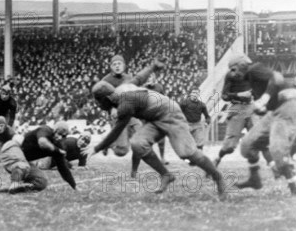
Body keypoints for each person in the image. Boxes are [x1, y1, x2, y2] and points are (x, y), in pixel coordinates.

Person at [86, 82, 225, 197]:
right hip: (155, 118)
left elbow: (116, 131)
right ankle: (166, 175)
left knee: (187, 153)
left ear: (107, 99)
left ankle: (217, 176)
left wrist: (97, 148)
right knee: (137, 144)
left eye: (98, 101)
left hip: (171, 115)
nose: (98, 105)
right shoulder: (122, 97)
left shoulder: (125, 104)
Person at [93, 55, 166, 178]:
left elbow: (136, 86)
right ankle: (107, 143)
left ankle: (134, 171)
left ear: (124, 65)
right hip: (117, 116)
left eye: (119, 63)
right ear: (111, 67)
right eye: (114, 64)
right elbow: (99, 100)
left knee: (140, 141)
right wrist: (110, 108)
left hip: (131, 114)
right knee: (121, 151)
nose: (117, 66)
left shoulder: (129, 78)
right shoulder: (105, 81)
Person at [235, 67, 296, 195]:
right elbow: (266, 106)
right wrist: (259, 109)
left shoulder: (254, 71)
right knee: (247, 144)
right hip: (273, 112)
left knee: (278, 151)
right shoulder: (250, 84)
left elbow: (276, 77)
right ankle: (254, 179)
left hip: (286, 109)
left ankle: (293, 186)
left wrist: (264, 98)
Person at [213, 55, 273, 168]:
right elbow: (224, 96)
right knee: (229, 146)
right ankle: (217, 159)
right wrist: (239, 95)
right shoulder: (230, 76)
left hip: (251, 107)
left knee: (260, 137)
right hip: (237, 108)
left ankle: (273, 165)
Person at [0, 121, 77, 193]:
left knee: (41, 182)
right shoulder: (46, 130)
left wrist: (74, 186)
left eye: (63, 136)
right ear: (55, 130)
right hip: (12, 148)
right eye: (59, 133)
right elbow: (42, 142)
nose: (60, 137)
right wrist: (57, 150)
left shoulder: (57, 146)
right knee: (22, 166)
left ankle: (16, 188)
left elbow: (63, 168)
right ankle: (15, 183)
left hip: (23, 160)